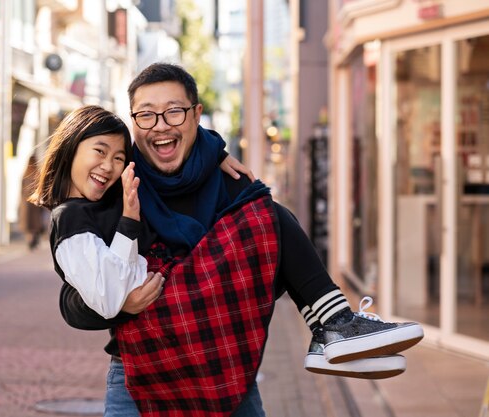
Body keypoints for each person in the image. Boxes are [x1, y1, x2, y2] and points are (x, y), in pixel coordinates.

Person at [57, 63, 424, 417]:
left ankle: (333, 326)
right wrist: (124, 303)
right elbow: (71, 300)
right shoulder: (118, 187)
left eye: (174, 112)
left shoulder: (231, 184)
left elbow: (268, 265)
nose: (160, 126)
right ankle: (332, 327)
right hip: (140, 375)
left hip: (226, 370)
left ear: (196, 114)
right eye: (146, 114)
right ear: (133, 121)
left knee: (271, 214)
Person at [32, 105, 252, 320]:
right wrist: (129, 221)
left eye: (118, 158)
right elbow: (108, 297)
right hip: (153, 334)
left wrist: (217, 154)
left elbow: (162, 153)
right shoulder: (69, 216)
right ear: (71, 146)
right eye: (100, 151)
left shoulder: (114, 198)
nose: (108, 166)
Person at [19, 156, 47, 250]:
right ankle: (34, 240)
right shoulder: (38, 175)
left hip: (26, 203)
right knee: (36, 222)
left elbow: (21, 190)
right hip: (35, 202)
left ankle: (30, 240)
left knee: (28, 224)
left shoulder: (25, 174)